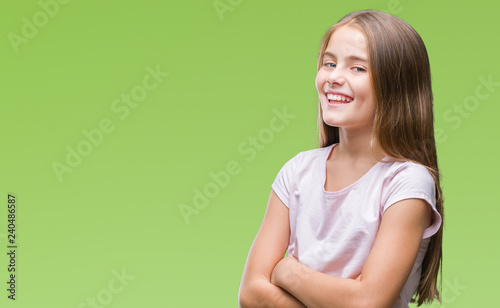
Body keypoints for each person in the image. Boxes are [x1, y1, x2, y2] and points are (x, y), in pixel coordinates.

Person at [238, 10, 444, 308]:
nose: (334, 77)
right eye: (329, 63)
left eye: (357, 68)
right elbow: (251, 293)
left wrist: (289, 271)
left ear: (396, 85)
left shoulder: (407, 182)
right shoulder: (298, 170)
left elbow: (366, 302)